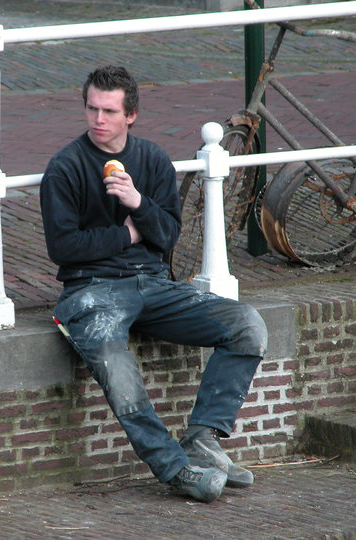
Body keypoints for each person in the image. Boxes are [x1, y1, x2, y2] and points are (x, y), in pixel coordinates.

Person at [39, 65, 268, 503]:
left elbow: (167, 235)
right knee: (115, 364)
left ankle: (203, 438)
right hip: (90, 291)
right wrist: (128, 234)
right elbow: (64, 248)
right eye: (91, 108)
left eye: (108, 111)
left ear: (131, 115)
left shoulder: (153, 161)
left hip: (153, 284)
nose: (97, 119)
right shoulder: (65, 168)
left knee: (247, 325)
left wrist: (137, 203)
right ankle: (175, 469)